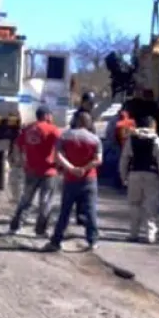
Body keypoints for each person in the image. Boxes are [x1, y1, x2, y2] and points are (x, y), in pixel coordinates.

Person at [43, 111, 102, 252]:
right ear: (88, 123)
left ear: (76, 121)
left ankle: (56, 241)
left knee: (65, 211)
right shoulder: (95, 139)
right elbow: (98, 160)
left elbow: (58, 156)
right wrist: (84, 168)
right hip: (89, 179)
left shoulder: (65, 136)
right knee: (90, 210)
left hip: (71, 179)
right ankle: (92, 241)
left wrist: (71, 168)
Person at [8, 106, 61, 237]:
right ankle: (40, 230)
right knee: (45, 201)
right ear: (47, 115)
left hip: (31, 170)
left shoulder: (28, 129)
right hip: (49, 171)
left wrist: (19, 160)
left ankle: (15, 226)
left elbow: (17, 144)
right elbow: (61, 148)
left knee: (26, 199)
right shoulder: (53, 130)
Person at [119, 115, 159, 243]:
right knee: (151, 205)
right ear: (153, 126)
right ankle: (150, 234)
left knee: (134, 204)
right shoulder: (157, 140)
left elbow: (124, 159)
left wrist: (123, 176)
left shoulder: (132, 139)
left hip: (134, 173)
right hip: (151, 174)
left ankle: (133, 233)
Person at [68, 91, 97, 225]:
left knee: (85, 188)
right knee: (78, 186)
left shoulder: (89, 115)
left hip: (88, 153)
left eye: (92, 103)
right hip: (78, 154)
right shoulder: (77, 116)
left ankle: (81, 214)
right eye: (89, 102)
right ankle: (78, 215)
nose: (91, 105)